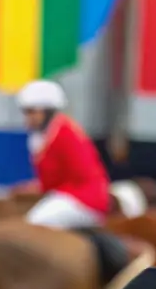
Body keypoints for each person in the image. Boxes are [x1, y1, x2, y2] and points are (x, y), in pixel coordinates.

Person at [15, 79, 112, 229]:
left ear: (46, 112)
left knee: (35, 224)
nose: (27, 118)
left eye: (31, 112)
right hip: (66, 196)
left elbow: (82, 174)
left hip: (84, 199)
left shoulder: (66, 133)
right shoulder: (44, 136)